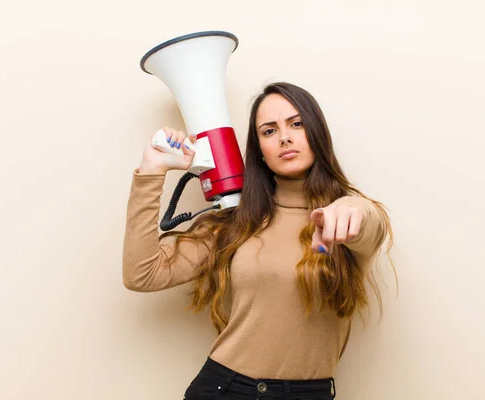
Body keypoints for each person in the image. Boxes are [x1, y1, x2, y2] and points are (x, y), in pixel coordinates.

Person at [122, 82, 394, 399]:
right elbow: (141, 273)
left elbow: (366, 221)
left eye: (297, 124)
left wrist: (349, 209)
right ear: (260, 152)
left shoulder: (348, 218)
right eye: (269, 131)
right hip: (226, 389)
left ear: (318, 134)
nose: (285, 137)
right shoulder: (236, 224)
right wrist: (152, 172)